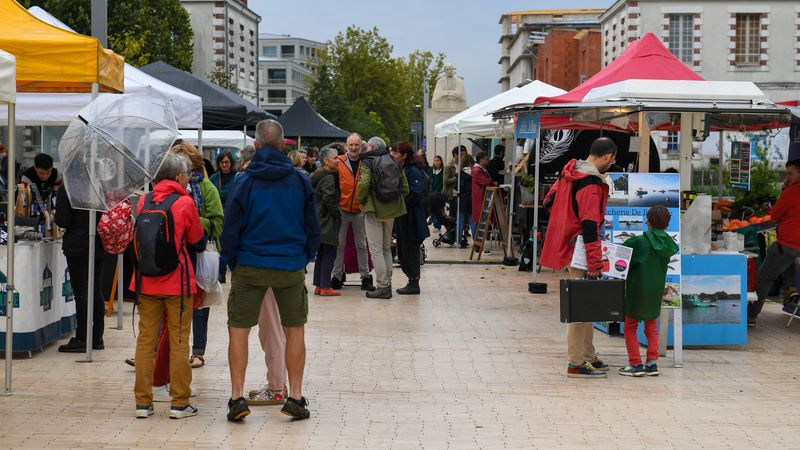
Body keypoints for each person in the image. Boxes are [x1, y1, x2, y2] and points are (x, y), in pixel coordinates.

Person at [221, 119, 320, 422]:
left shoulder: (244, 180)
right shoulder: (300, 179)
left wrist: (232, 261)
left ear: (258, 145)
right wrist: (303, 257)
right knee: (294, 330)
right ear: (282, 144)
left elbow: (231, 228)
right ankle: (296, 396)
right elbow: (312, 227)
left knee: (238, 329)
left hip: (250, 263)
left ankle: (237, 397)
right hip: (289, 264)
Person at [132, 151, 206, 419]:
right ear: (178, 176)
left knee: (145, 341)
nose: (188, 178)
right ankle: (179, 402)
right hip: (178, 283)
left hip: (145, 280)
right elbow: (197, 240)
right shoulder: (184, 203)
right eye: (186, 173)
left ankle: (143, 403)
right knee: (178, 341)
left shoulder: (143, 201)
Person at [540, 137, 617, 379]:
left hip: (571, 247)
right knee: (581, 307)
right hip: (582, 251)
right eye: (612, 161)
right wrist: (595, 262)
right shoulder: (590, 183)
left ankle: (587, 354)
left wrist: (566, 220)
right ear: (607, 157)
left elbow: (548, 201)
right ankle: (576, 361)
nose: (611, 165)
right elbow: (590, 224)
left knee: (588, 304)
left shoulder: (570, 171)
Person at [618, 206, 678, 377]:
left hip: (636, 290)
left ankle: (635, 364)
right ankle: (652, 364)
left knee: (630, 326)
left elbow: (621, 260)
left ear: (648, 222)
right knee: (651, 327)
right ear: (667, 225)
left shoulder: (636, 242)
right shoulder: (668, 244)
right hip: (656, 290)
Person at [747, 159, 800, 326]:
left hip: (789, 243)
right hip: (795, 247)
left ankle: (751, 315)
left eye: (790, 173)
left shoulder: (792, 192)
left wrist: (784, 193)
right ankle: (790, 288)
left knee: (763, 277)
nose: (787, 176)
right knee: (784, 257)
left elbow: (776, 214)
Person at [55, 187, 107, 352]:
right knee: (96, 289)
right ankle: (97, 336)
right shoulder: (99, 187)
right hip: (99, 244)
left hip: (77, 246)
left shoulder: (69, 190)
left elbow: (63, 221)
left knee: (82, 291)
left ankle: (83, 337)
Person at [357, 141, 410, 299]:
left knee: (376, 250)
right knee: (386, 248)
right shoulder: (394, 161)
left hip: (373, 210)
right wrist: (393, 203)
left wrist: (361, 200)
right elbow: (405, 188)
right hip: (392, 212)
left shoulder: (367, 162)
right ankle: (388, 283)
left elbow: (364, 183)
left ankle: (383, 286)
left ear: (371, 148)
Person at [330, 134, 375, 292]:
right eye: (351, 145)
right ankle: (336, 276)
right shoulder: (339, 161)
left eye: (356, 145)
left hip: (360, 210)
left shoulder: (367, 162)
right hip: (342, 209)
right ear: (346, 146)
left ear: (361, 146)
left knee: (362, 245)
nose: (354, 148)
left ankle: (365, 277)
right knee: (339, 244)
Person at [395, 142, 429, 295]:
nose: (393, 155)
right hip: (405, 217)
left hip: (413, 218)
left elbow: (416, 193)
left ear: (404, 155)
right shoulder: (405, 169)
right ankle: (411, 280)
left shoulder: (413, 171)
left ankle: (414, 283)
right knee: (404, 251)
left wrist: (401, 206)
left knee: (411, 251)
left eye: (396, 153)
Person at [311, 148, 342, 296]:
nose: (338, 160)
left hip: (318, 218)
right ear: (326, 161)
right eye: (335, 158)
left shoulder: (317, 175)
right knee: (329, 252)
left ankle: (318, 285)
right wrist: (338, 214)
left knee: (322, 253)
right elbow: (328, 198)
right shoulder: (329, 177)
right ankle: (325, 286)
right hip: (327, 219)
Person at [471, 151, 496, 239]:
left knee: (481, 220)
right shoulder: (477, 170)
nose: (488, 160)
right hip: (480, 199)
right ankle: (477, 243)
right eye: (487, 159)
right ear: (481, 160)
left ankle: (479, 242)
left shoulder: (480, 169)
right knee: (479, 221)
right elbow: (487, 181)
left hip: (482, 198)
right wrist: (491, 181)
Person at [454, 155, 474, 247]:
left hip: (461, 199)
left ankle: (458, 241)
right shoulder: (474, 174)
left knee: (460, 221)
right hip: (471, 199)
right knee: (472, 221)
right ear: (470, 163)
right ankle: (476, 241)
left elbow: (456, 188)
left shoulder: (459, 174)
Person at [428, 155, 445, 234]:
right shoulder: (431, 170)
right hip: (431, 193)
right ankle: (436, 225)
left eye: (438, 160)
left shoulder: (443, 170)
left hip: (439, 193)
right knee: (432, 210)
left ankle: (439, 225)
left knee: (439, 210)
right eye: (435, 161)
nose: (436, 162)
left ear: (441, 161)